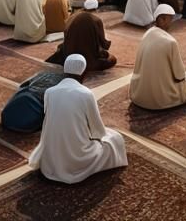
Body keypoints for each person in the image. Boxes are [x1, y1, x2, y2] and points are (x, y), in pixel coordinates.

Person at [30, 54, 127, 184]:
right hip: (78, 154)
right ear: (84, 72)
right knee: (115, 139)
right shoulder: (86, 94)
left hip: (52, 154)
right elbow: (96, 129)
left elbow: (50, 120)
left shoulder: (50, 91)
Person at [129, 4, 186, 110]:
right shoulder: (170, 42)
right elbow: (180, 76)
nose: (171, 23)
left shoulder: (147, 34)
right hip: (160, 100)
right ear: (162, 19)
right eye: (170, 19)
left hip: (137, 94)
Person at [51, 0, 116, 72]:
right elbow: (104, 44)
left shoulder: (72, 16)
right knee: (112, 59)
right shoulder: (96, 20)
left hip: (68, 53)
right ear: (96, 9)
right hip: (87, 57)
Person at [1, 70, 65, 132]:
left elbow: (22, 85)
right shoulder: (68, 88)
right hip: (28, 124)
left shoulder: (45, 74)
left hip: (9, 114)